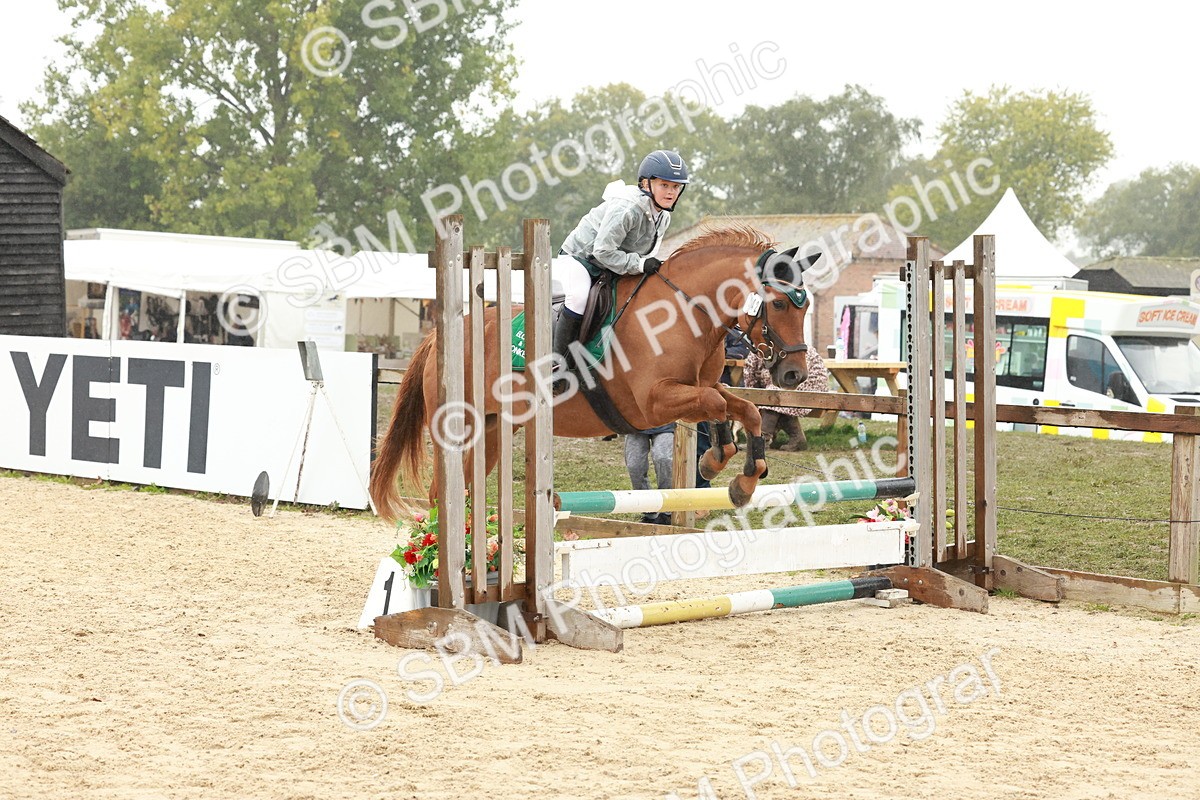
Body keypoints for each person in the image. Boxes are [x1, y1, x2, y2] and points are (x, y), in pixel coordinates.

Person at [552, 149, 690, 392]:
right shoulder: (627, 208)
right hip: (581, 259)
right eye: (664, 185)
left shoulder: (663, 216)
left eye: (676, 187)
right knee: (580, 297)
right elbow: (602, 251)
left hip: (613, 266)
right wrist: (640, 264)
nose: (671, 192)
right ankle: (557, 366)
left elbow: (643, 254)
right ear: (646, 184)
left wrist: (646, 265)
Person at [742, 348, 830, 451]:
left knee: (774, 396)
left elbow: (769, 376)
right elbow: (749, 378)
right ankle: (797, 439)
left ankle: (761, 440)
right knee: (776, 398)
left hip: (807, 381)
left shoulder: (785, 348)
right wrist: (755, 400)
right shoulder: (756, 353)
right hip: (787, 382)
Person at [625, 422, 676, 525]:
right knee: (634, 465)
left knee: (664, 459)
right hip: (634, 425)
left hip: (665, 424)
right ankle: (648, 509)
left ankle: (667, 511)